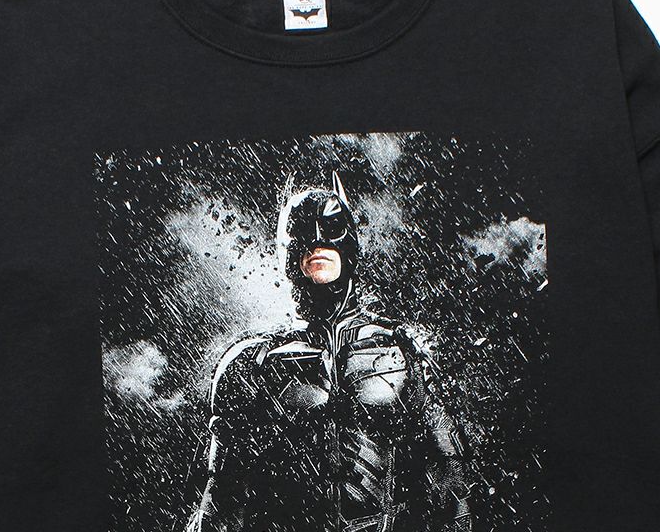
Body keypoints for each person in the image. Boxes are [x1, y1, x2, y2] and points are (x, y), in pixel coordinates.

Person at [187, 172, 473, 532]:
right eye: (305, 234)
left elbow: (450, 480)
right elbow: (222, 499)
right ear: (289, 253)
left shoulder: (402, 351)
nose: (318, 242)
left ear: (349, 245)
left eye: (330, 230)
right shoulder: (251, 364)